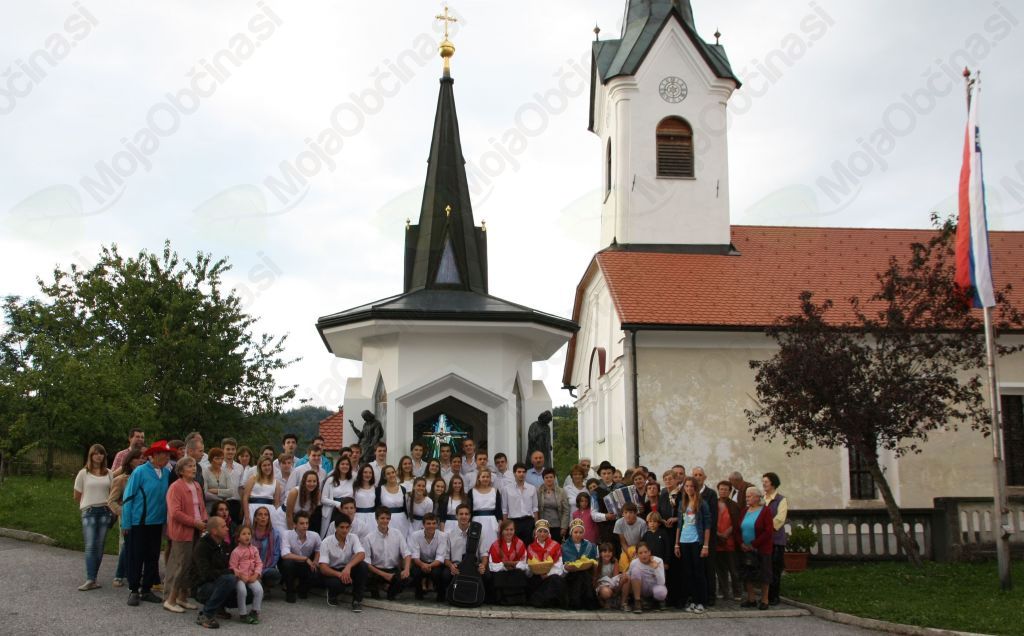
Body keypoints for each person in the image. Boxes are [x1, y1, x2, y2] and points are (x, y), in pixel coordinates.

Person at [121, 440, 172, 606]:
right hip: (139, 522)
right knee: (136, 556)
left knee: (153, 556)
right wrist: (126, 523)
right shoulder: (140, 472)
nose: (167, 458)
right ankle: (134, 590)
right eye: (165, 454)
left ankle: (147, 589)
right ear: (154, 455)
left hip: (156, 523)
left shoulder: (166, 473)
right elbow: (128, 497)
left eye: (168, 455)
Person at [163, 456, 207, 613]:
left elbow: (202, 507)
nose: (193, 468)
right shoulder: (175, 487)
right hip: (182, 532)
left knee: (190, 565)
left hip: (196, 530)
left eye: (194, 465)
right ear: (181, 471)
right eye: (189, 466)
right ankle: (170, 599)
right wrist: (195, 523)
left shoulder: (196, 485)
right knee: (180, 566)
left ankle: (182, 598)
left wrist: (204, 522)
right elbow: (175, 513)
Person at [74, 443, 114, 592]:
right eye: (96, 453)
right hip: (89, 511)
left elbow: (113, 493)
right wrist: (87, 504)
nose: (99, 456)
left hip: (105, 510)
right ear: (90, 455)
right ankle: (90, 578)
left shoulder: (109, 473)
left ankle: (94, 578)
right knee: (91, 545)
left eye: (101, 453)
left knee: (100, 545)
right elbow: (77, 495)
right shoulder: (83, 473)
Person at [191, 516, 238, 629]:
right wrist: (230, 572)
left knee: (249, 591)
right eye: (223, 526)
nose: (227, 528)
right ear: (214, 531)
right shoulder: (202, 547)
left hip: (217, 582)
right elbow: (206, 574)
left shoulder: (224, 545)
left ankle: (219, 608)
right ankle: (206, 614)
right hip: (201, 587)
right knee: (229, 579)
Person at [673, 476, 710, 613]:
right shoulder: (682, 503)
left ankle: (701, 601)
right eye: (687, 486)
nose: (689, 488)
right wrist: (676, 544)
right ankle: (692, 600)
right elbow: (679, 525)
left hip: (697, 541)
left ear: (696, 488)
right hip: (684, 541)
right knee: (687, 573)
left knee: (698, 572)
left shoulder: (702, 503)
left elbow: (707, 526)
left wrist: (705, 545)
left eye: (692, 486)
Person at [108, 448, 144, 588]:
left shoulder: (144, 477)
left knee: (138, 545)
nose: (141, 461)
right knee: (126, 544)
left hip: (142, 515)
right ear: (130, 461)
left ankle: (133, 572)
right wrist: (123, 512)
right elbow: (111, 501)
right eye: (138, 458)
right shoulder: (121, 479)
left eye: (143, 458)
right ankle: (119, 574)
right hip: (127, 515)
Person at [319, 513, 368, 612]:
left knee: (363, 566)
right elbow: (323, 568)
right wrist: (340, 574)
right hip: (333, 571)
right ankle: (332, 593)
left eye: (347, 527)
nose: (345, 530)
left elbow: (362, 554)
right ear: (336, 528)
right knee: (336, 584)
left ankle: (357, 601)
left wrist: (348, 567)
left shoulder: (353, 537)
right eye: (342, 527)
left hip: (347, 568)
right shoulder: (326, 542)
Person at [363, 508, 412, 600]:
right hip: (376, 570)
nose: (385, 521)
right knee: (366, 576)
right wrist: (384, 575)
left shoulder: (397, 533)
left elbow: (407, 554)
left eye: (387, 518)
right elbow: (367, 562)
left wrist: (406, 569)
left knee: (407, 579)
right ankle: (376, 588)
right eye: (382, 518)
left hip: (392, 569)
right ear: (376, 519)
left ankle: (390, 592)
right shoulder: (369, 538)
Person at [441, 504, 488, 598]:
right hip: (457, 566)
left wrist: (483, 565)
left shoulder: (479, 532)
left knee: (487, 575)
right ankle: (450, 595)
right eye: (461, 514)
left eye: (466, 514)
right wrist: (451, 566)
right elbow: (446, 557)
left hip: (474, 565)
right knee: (445, 575)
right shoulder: (449, 534)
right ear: (456, 516)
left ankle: (481, 597)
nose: (464, 516)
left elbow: (484, 554)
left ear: (470, 516)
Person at [739, 486, 773, 610]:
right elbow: (738, 528)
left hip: (761, 548)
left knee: (764, 574)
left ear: (758, 497)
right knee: (747, 574)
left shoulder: (765, 511)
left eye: (749, 496)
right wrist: (741, 543)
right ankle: (751, 598)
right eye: (746, 496)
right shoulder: (744, 511)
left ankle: (764, 599)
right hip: (745, 549)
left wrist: (753, 544)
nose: (747, 499)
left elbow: (768, 531)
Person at [279, 510, 322, 603]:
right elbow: (285, 554)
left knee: (316, 571)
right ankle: (290, 592)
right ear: (295, 524)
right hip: (292, 563)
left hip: (305, 566)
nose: (305, 526)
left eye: (307, 523)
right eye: (302, 523)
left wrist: (315, 561)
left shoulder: (315, 535)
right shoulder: (286, 534)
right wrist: (305, 559)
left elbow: (319, 549)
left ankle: (302, 588)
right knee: (287, 564)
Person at [485, 518, 528, 606]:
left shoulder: (520, 544)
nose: (509, 532)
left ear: (514, 531)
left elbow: (524, 564)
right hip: (501, 573)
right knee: (498, 576)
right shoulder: (495, 545)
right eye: (506, 530)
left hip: (515, 571)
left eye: (511, 530)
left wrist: (514, 564)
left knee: (519, 574)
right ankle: (501, 599)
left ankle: (516, 599)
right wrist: (504, 565)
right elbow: (492, 566)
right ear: (502, 531)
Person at [229, 526, 264, 624]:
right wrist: (241, 576)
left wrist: (256, 574)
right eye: (243, 534)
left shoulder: (254, 549)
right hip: (240, 578)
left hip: (252, 576)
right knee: (242, 591)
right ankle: (243, 614)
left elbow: (259, 563)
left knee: (259, 590)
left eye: (249, 534)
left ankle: (255, 611)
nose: (247, 536)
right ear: (238, 537)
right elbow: (232, 567)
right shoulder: (236, 552)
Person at [561, 518, 599, 610]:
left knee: (584, 575)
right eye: (576, 532)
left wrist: (594, 577)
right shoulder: (564, 546)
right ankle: (576, 602)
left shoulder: (590, 546)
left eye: (581, 532)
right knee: (579, 575)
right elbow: (567, 566)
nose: (578, 534)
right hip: (571, 576)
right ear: (571, 533)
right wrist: (581, 566)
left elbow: (595, 563)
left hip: (587, 574)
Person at [525, 519, 563, 608]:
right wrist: (538, 572)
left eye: (545, 531)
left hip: (551, 575)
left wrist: (547, 574)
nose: (542, 534)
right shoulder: (530, 547)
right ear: (536, 533)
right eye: (540, 531)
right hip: (537, 576)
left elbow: (559, 564)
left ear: (548, 533)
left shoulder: (555, 545)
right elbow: (528, 567)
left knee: (555, 580)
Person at [409, 512, 447, 601]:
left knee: (437, 573)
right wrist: (423, 565)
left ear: (437, 525)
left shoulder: (443, 536)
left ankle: (440, 593)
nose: (431, 526)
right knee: (415, 572)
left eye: (434, 523)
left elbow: (440, 557)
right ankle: (419, 591)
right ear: (423, 525)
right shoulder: (415, 535)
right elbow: (415, 556)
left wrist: (429, 565)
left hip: (436, 563)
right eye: (428, 523)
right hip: (421, 562)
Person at [763, 471, 788, 605]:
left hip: (776, 539)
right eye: (763, 482)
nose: (764, 484)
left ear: (773, 483)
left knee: (775, 568)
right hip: (763, 540)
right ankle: (765, 595)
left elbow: (780, 519)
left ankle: (774, 596)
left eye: (766, 482)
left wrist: (766, 528)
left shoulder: (781, 499)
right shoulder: (762, 499)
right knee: (765, 568)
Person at [715, 480, 742, 602]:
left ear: (730, 491)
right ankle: (723, 591)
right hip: (717, 540)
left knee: (733, 569)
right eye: (721, 489)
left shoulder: (734, 505)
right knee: (720, 569)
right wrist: (718, 533)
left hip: (730, 541)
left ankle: (737, 592)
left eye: (726, 489)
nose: (723, 491)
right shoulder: (713, 504)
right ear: (718, 490)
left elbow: (737, 522)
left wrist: (727, 532)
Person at [242, 456, 285, 531]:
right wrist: (246, 517)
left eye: (269, 465)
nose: (267, 467)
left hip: (270, 511)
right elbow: (245, 498)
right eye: (264, 465)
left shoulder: (276, 482)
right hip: (253, 510)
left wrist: (277, 518)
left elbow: (277, 503)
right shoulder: (253, 479)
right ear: (260, 467)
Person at [625, 542, 667, 613]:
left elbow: (662, 582)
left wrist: (656, 569)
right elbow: (628, 576)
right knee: (635, 571)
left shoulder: (658, 560)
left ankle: (657, 602)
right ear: (637, 554)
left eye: (645, 552)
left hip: (654, 586)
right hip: (642, 587)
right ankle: (637, 601)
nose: (643, 555)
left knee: (661, 592)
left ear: (649, 552)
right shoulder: (634, 562)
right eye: (640, 553)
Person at [503, 462, 538, 546]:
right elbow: (504, 509)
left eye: (523, 472)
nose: (521, 474)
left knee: (528, 546)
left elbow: (535, 508)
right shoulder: (506, 489)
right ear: (514, 473)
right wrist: (505, 527)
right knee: (514, 546)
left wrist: (536, 526)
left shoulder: (532, 488)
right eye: (519, 472)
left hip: (528, 521)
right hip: (513, 522)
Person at [251, 506, 284, 592]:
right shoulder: (249, 533)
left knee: (274, 574)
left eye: (266, 515)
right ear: (255, 518)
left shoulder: (275, 534)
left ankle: (264, 585)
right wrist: (255, 570)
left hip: (267, 567)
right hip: (250, 566)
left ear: (268, 518)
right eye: (260, 514)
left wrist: (262, 571)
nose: (263, 517)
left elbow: (276, 554)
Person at [320, 457, 354, 537]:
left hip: (347, 511)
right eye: (342, 464)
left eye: (347, 464)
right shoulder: (331, 480)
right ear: (338, 466)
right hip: (334, 511)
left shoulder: (351, 480)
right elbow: (323, 499)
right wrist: (337, 504)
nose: (345, 466)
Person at [469, 468, 503, 550]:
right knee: (477, 545)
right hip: (476, 522)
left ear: (490, 478)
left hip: (492, 522)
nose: (485, 479)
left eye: (487, 477)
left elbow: (499, 510)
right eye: (483, 477)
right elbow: (469, 510)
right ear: (479, 478)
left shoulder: (495, 491)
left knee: (492, 545)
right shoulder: (472, 491)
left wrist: (500, 524)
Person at [591, 461, 619, 553]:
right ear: (600, 475)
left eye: (609, 473)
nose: (606, 476)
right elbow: (593, 514)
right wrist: (606, 516)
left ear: (613, 474)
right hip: (605, 528)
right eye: (604, 473)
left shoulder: (620, 487)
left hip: (620, 526)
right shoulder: (596, 492)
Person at [595, 541, 626, 609]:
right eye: (605, 552)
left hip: (612, 583)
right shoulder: (597, 563)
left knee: (625, 576)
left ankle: (620, 600)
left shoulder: (614, 561)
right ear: (600, 553)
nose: (607, 554)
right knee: (606, 592)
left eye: (609, 552)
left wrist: (613, 585)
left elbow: (615, 578)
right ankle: (603, 600)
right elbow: (596, 579)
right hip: (602, 584)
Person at [202, 447, 233, 515]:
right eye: (217, 458)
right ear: (211, 459)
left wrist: (215, 491)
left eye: (222, 459)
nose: (220, 461)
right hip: (210, 508)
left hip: (223, 510)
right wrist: (220, 500)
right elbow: (204, 493)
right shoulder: (205, 472)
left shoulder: (226, 473)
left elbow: (231, 492)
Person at [352, 465, 378, 536]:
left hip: (372, 517)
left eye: (370, 473)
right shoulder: (355, 487)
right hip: (358, 516)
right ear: (361, 473)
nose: (368, 474)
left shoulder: (374, 487)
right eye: (365, 472)